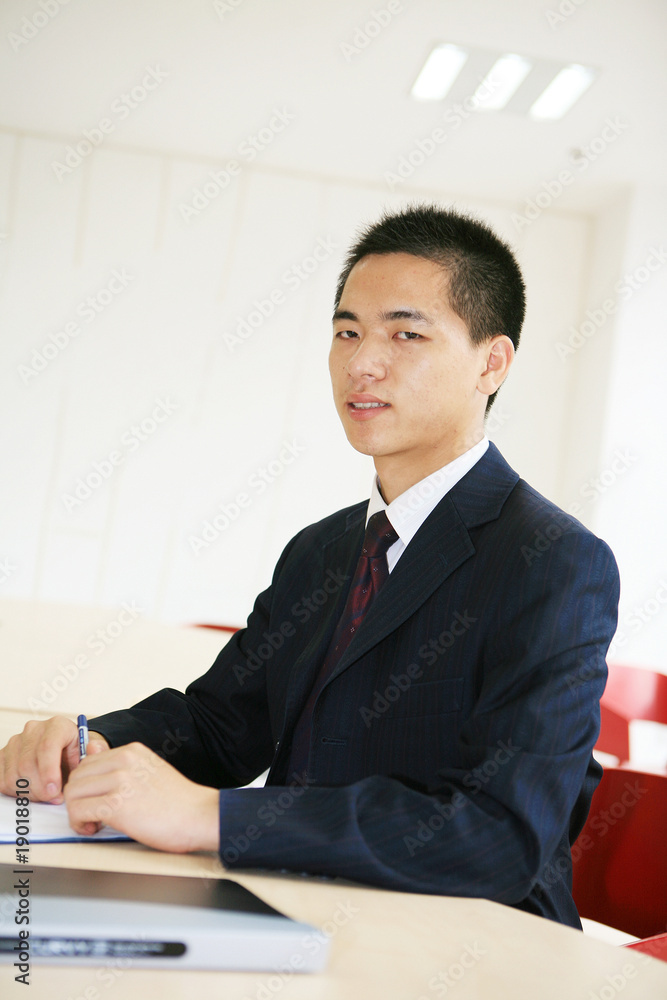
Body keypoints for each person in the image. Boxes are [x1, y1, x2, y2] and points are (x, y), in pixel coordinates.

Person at [0, 204, 619, 928]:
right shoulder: (323, 549)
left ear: (491, 362)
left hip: (469, 943)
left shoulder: (554, 560)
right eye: (346, 331)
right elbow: (221, 725)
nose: (362, 361)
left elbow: (497, 836)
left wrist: (216, 819)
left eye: (405, 333)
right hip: (297, 908)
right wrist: (89, 745)